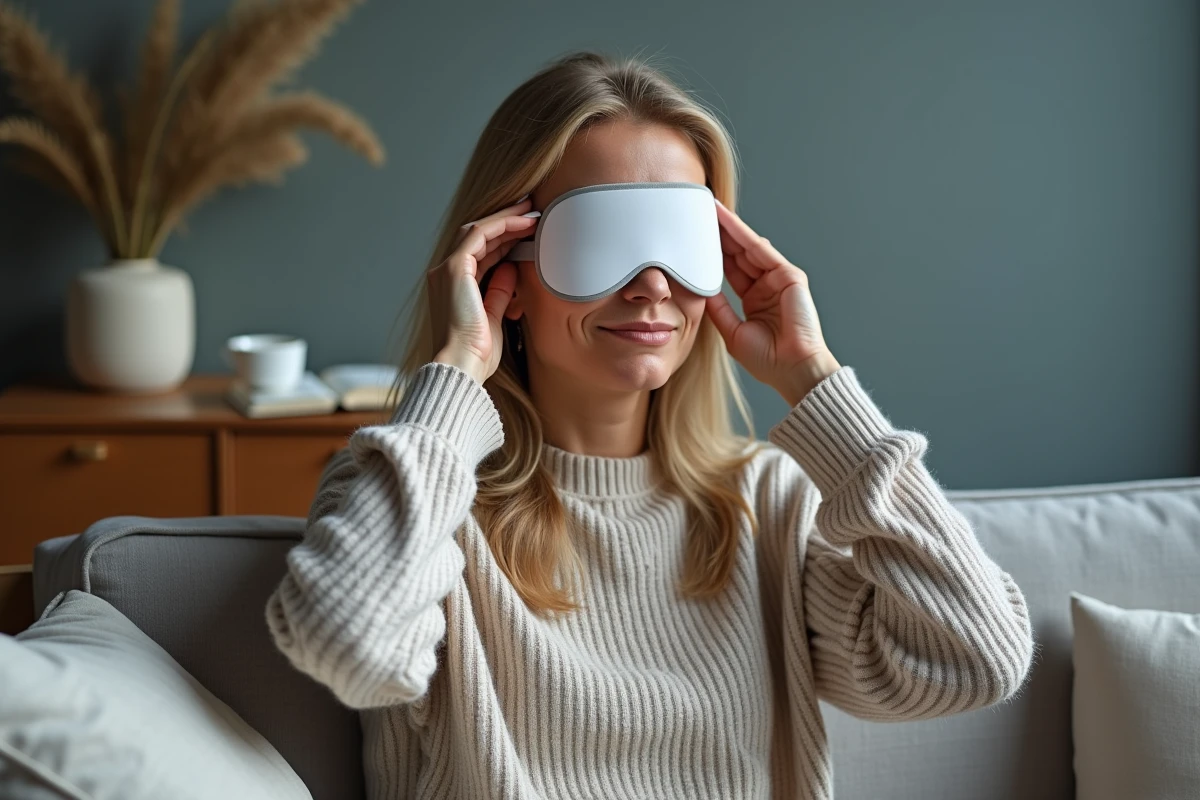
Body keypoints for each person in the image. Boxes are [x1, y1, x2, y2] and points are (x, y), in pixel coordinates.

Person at [264, 50, 1036, 800]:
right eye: (603, 242)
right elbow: (348, 646)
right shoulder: (422, 498)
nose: (653, 285)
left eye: (681, 241)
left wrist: (815, 381)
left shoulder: (764, 508)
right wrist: (458, 366)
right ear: (504, 267)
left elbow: (976, 660)